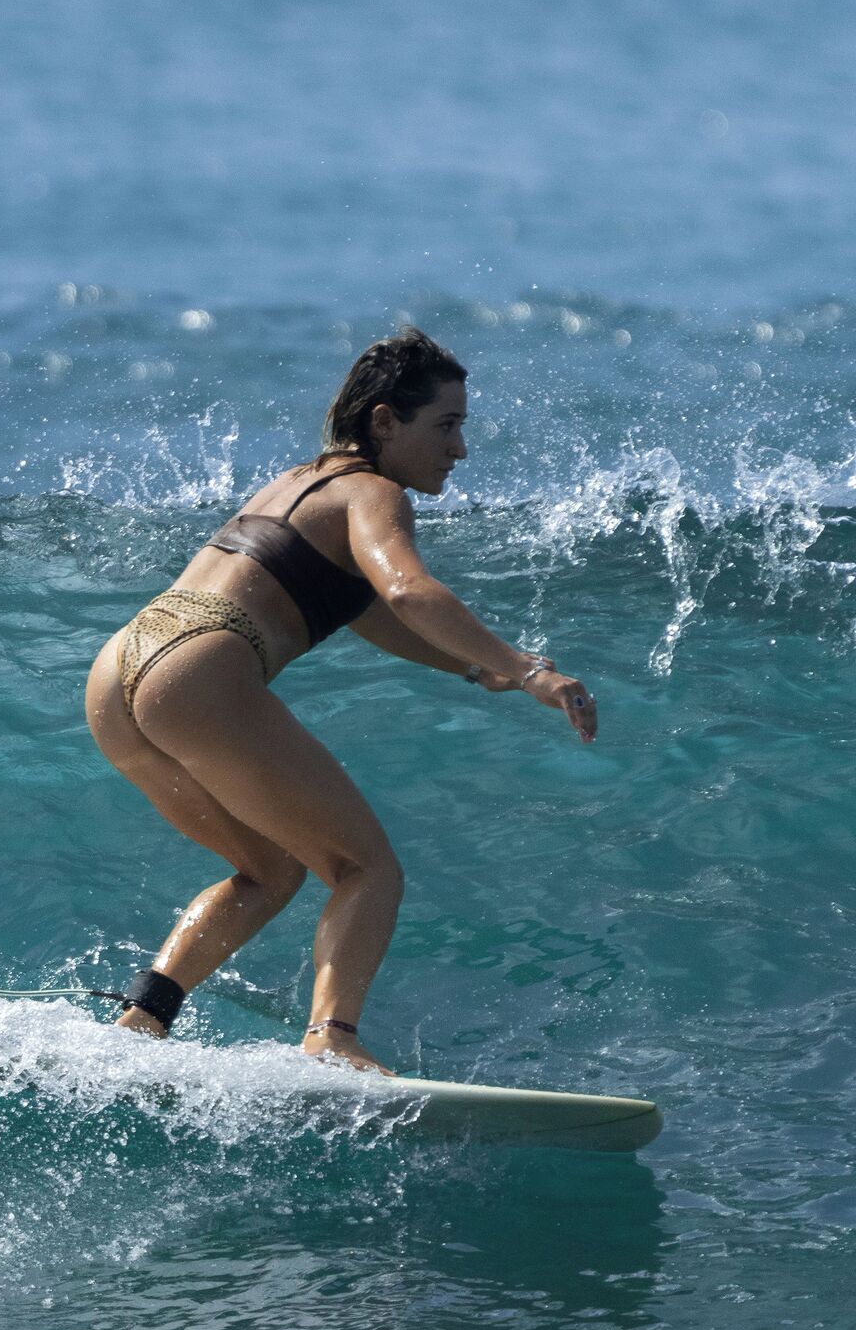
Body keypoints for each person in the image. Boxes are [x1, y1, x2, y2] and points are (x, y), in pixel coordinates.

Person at [85, 329, 597, 1074]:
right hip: (202, 663)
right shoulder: (374, 489)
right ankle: (333, 1040)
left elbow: (361, 607)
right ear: (385, 421)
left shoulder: (298, 483)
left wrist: (467, 667)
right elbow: (406, 588)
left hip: (122, 666)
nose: (459, 450)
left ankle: (142, 1017)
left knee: (269, 870)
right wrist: (527, 672)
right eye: (446, 427)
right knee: (368, 868)